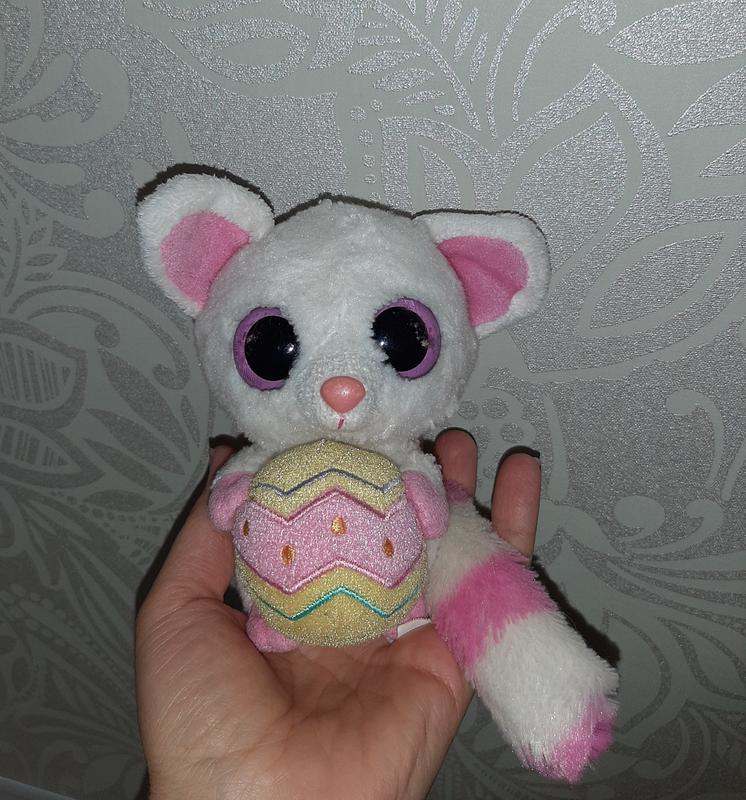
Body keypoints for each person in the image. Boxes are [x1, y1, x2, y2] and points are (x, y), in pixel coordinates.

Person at [135, 430, 541, 800]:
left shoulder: (389, 465)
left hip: (386, 599)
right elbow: (227, 503)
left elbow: (431, 514)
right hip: (290, 608)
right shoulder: (275, 463)